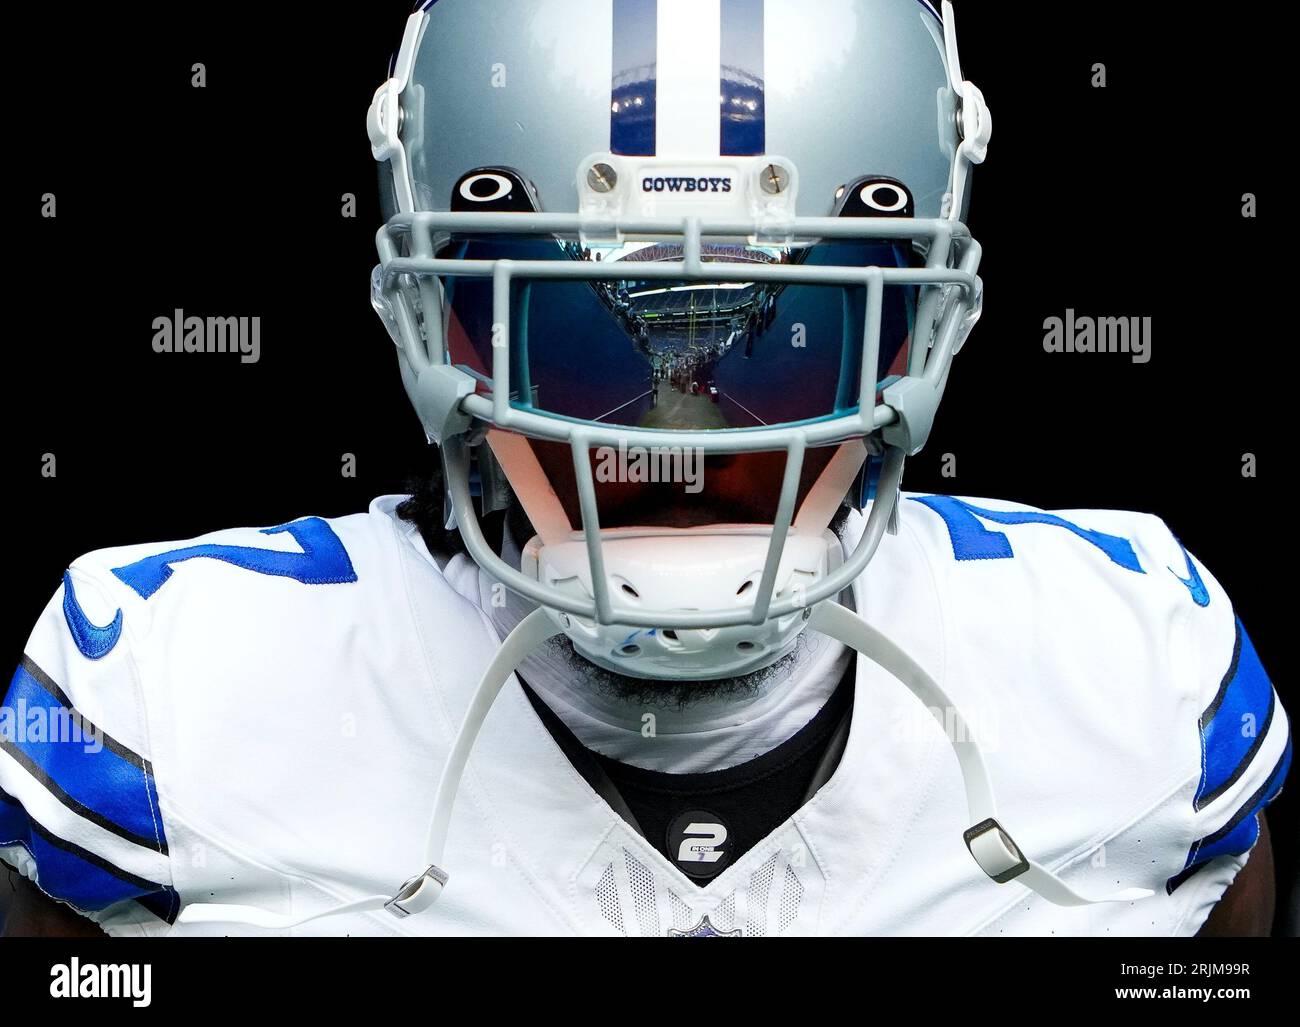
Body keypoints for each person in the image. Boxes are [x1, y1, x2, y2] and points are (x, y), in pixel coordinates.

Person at [2, 0, 1288, 937]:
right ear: (433, 325)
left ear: (918, 333)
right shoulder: (175, 690)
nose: (681, 427)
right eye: (578, 333)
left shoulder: (1135, 663)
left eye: (785, 338)